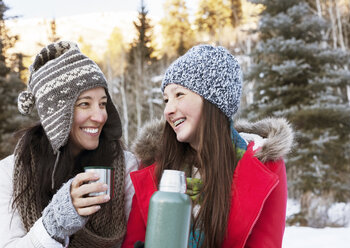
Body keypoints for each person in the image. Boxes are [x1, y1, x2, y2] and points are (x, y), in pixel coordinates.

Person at [122, 44, 293, 248]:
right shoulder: (154, 166)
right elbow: (133, 241)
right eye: (166, 100)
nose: (168, 109)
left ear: (213, 101)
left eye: (179, 95)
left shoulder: (264, 165)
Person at [0, 41, 138, 247]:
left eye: (102, 103)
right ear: (55, 114)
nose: (100, 116)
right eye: (84, 104)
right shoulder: (10, 173)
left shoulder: (125, 166)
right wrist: (54, 223)